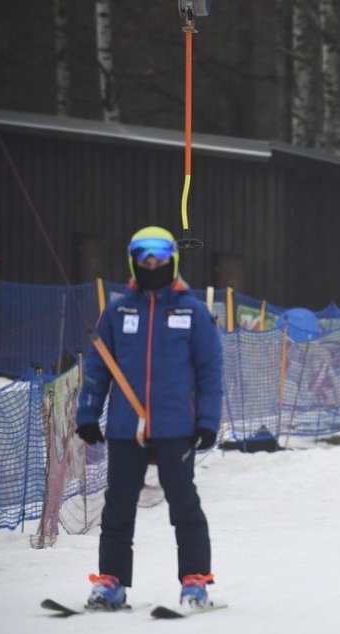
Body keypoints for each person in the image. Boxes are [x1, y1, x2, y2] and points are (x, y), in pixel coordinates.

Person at [75, 226, 223, 610]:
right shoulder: (118, 309)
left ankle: (195, 580)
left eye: (159, 254)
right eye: (143, 255)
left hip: (177, 426)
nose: (152, 262)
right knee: (118, 505)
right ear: (133, 260)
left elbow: (210, 371)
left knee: (184, 503)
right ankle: (111, 582)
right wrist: (89, 412)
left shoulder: (192, 311)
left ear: (172, 259)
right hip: (127, 426)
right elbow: (97, 367)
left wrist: (208, 421)